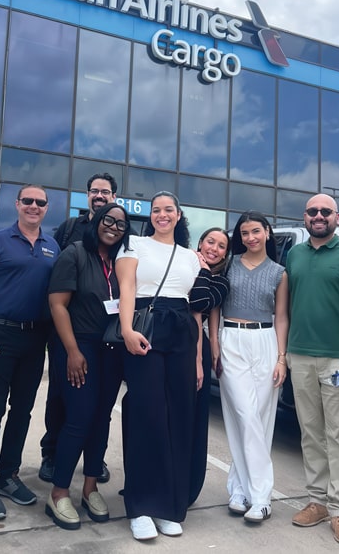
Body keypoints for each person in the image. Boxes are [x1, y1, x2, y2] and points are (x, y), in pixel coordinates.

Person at [114, 191, 203, 541]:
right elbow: (127, 288)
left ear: (179, 215)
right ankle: (140, 506)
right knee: (147, 415)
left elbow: (196, 309)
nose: (162, 215)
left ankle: (168, 505)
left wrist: (197, 359)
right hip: (145, 328)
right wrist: (126, 330)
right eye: (156, 210)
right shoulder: (134, 244)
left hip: (182, 332)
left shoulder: (191, 257)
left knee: (179, 416)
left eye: (168, 210)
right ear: (150, 215)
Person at [0, 185, 60, 521]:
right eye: (28, 201)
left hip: (36, 339)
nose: (33, 206)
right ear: (17, 204)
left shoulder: (53, 246)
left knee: (22, 410)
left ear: (46, 208)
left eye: (40, 202)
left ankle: (8, 475)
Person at [284, 193, 339, 546]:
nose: (318, 216)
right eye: (312, 212)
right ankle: (317, 501)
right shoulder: (294, 254)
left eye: (325, 212)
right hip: (300, 356)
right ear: (305, 217)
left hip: (338, 360)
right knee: (311, 433)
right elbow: (286, 307)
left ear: (337, 217)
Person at [43, 203, 131, 530]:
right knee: (79, 417)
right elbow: (58, 304)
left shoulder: (121, 262)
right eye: (109, 220)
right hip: (78, 345)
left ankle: (90, 488)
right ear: (96, 221)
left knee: (101, 418)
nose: (114, 227)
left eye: (121, 225)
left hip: (111, 348)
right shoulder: (75, 254)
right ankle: (59, 492)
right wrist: (72, 351)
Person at [210, 211, 289, 523]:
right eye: (244, 233)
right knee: (243, 414)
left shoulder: (280, 273)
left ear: (267, 233)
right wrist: (215, 343)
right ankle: (261, 495)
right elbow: (215, 305)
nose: (250, 238)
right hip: (231, 340)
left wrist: (282, 357)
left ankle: (240, 489)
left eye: (256, 231)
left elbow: (282, 316)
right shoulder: (228, 265)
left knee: (259, 418)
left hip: (266, 342)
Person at [40, 172, 118, 485]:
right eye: (94, 191)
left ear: (114, 197)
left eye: (106, 192)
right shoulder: (70, 229)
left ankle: (92, 461)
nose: (99, 196)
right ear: (86, 195)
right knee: (60, 396)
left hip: (105, 337)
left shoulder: (120, 238)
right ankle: (52, 453)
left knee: (99, 405)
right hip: (67, 332)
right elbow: (53, 279)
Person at [187, 226, 230, 507]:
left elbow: (202, 308)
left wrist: (212, 348)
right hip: (169, 342)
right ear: (200, 242)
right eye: (210, 242)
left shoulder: (220, 282)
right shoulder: (181, 262)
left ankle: (189, 486)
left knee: (194, 419)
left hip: (194, 344)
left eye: (221, 246)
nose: (213, 248)